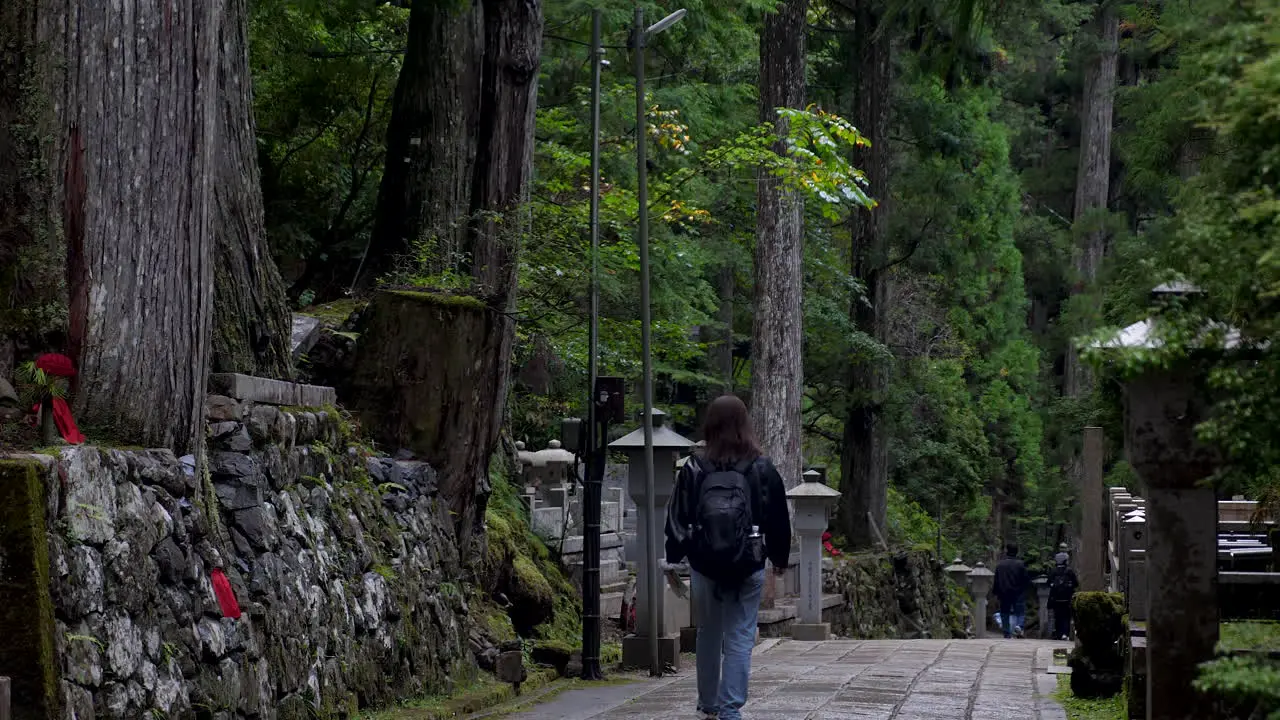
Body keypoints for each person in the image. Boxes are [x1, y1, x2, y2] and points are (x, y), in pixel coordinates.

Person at [664, 394, 791, 720]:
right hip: (748, 561)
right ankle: (730, 708)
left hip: (705, 563)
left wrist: (674, 556)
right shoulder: (761, 467)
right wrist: (778, 557)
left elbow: (677, 516)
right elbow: (778, 516)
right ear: (744, 424)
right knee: (739, 633)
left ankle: (707, 705)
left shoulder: (695, 466)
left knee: (708, 630)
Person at [993, 543, 1030, 639]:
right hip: (1018, 592)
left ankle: (1006, 632)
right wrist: (1024, 589)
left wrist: (996, 592)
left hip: (1004, 592)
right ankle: (1019, 626)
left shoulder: (1000, 565)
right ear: (1017, 552)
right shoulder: (1020, 564)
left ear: (1007, 551)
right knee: (1020, 612)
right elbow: (1025, 579)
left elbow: (996, 580)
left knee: (1005, 612)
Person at [1048, 554, 1079, 640]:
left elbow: (1048, 583)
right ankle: (1065, 634)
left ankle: (1058, 633)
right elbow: (1076, 583)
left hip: (1056, 598)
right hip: (1067, 598)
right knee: (1066, 616)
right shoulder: (1069, 571)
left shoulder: (1053, 571)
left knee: (1057, 616)